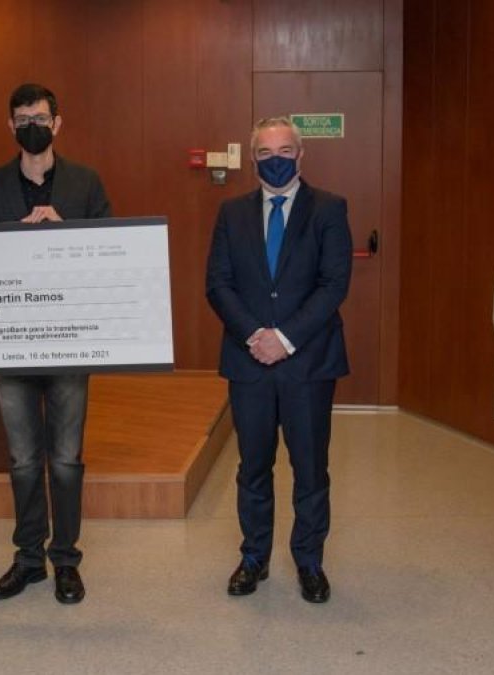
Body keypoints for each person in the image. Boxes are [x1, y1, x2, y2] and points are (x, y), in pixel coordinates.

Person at [0, 83, 111, 605]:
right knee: (24, 459)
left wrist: (64, 229)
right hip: (11, 346)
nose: (33, 124)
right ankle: (28, 559)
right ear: (10, 126)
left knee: (67, 458)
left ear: (58, 123)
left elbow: (108, 254)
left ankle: (66, 560)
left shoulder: (86, 183)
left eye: (41, 116)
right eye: (23, 117)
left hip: (71, 342)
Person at [205, 116, 352, 604]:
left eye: (285, 150)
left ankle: (309, 561)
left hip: (308, 363)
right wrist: (254, 335)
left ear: (301, 155)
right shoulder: (231, 212)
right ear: (252, 160)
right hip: (248, 363)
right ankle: (254, 558)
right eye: (266, 152)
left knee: (310, 468)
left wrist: (284, 338)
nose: (275, 160)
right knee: (252, 467)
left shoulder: (329, 209)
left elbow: (334, 285)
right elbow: (218, 284)